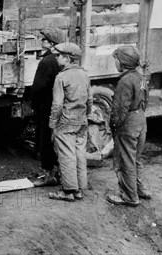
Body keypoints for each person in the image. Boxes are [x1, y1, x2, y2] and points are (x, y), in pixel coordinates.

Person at [107, 46, 151, 206]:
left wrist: (114, 126)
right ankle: (142, 189)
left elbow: (119, 108)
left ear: (122, 62)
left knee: (125, 159)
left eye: (116, 59)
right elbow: (146, 99)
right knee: (136, 157)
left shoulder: (125, 80)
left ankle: (129, 196)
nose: (115, 63)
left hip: (129, 121)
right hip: (140, 118)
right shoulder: (140, 76)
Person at [48, 42, 93, 202]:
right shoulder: (84, 75)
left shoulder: (61, 77)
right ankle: (79, 189)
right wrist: (86, 116)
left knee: (66, 155)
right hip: (81, 121)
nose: (56, 58)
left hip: (66, 122)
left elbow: (57, 105)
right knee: (79, 154)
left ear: (67, 58)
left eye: (58, 56)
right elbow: (89, 100)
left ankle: (68, 191)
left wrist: (52, 123)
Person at [31, 27, 66, 187]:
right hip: (60, 105)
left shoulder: (47, 61)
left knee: (45, 139)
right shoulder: (61, 59)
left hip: (47, 105)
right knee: (56, 139)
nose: (41, 41)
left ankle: (48, 174)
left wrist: (34, 105)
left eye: (44, 39)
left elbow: (38, 87)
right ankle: (59, 172)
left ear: (52, 43)